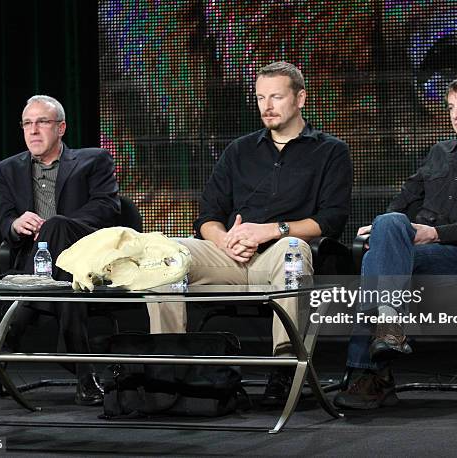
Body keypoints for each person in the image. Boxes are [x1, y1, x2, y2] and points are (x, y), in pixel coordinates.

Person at [147, 61, 352, 404]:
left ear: (300, 98)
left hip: (277, 255)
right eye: (260, 98)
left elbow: (331, 220)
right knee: (164, 250)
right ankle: (168, 366)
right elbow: (207, 217)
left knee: (292, 248)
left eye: (276, 97)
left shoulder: (330, 151)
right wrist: (226, 239)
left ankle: (285, 366)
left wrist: (268, 231)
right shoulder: (239, 150)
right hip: (228, 255)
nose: (267, 106)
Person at [333, 76, 457, 410]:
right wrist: (384, 233)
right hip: (415, 255)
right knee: (387, 225)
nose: (455, 114)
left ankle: (368, 377)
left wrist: (436, 233)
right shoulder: (440, 152)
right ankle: (388, 331)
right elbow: (404, 199)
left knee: (375, 266)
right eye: (451, 106)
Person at [0, 95, 120, 406]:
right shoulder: (6, 169)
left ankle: (13, 325)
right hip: (38, 260)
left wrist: (60, 225)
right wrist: (17, 223)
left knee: (56, 227)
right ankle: (82, 371)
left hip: (85, 251)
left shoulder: (93, 160)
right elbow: (4, 217)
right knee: (65, 278)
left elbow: (107, 206)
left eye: (42, 122)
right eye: (27, 123)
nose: (33, 130)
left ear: (61, 127)